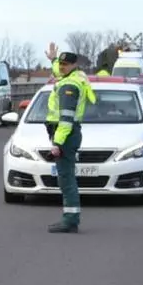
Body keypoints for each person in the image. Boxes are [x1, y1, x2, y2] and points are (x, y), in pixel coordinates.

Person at [43, 43, 96, 234]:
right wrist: (53, 59)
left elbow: (66, 118)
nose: (62, 67)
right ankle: (70, 218)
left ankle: (70, 220)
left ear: (74, 65)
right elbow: (58, 72)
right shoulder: (75, 77)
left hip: (65, 134)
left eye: (65, 64)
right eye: (61, 64)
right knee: (66, 177)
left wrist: (57, 143)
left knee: (66, 179)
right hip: (68, 133)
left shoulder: (69, 86)